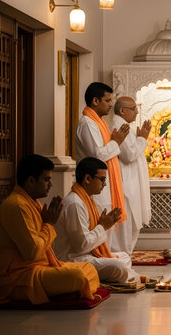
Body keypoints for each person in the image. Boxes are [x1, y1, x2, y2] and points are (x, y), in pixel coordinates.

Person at [0, 155, 99, 304]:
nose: (51, 185)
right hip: (16, 279)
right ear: (31, 181)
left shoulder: (33, 203)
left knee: (89, 269)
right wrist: (48, 224)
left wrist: (47, 224)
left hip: (38, 270)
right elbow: (32, 253)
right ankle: (66, 292)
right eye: (46, 180)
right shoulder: (17, 206)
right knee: (77, 276)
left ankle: (67, 292)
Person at [53, 157, 141, 283]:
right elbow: (82, 246)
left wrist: (103, 225)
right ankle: (128, 278)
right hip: (72, 259)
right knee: (118, 267)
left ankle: (126, 277)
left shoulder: (85, 199)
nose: (104, 184)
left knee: (125, 257)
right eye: (102, 179)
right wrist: (102, 226)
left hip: (86, 256)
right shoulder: (75, 204)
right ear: (87, 179)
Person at [75, 82, 129, 230]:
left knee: (105, 231)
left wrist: (114, 141)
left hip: (101, 184)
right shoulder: (87, 123)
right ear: (95, 101)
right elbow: (97, 155)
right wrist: (116, 142)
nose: (111, 104)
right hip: (93, 183)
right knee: (100, 229)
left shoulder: (98, 122)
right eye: (107, 100)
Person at [109, 96, 152, 254]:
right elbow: (128, 155)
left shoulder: (125, 126)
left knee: (132, 226)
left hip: (132, 183)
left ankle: (125, 261)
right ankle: (122, 261)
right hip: (126, 184)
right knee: (126, 228)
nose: (137, 111)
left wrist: (140, 138)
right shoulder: (119, 126)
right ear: (122, 110)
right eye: (133, 108)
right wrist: (142, 139)